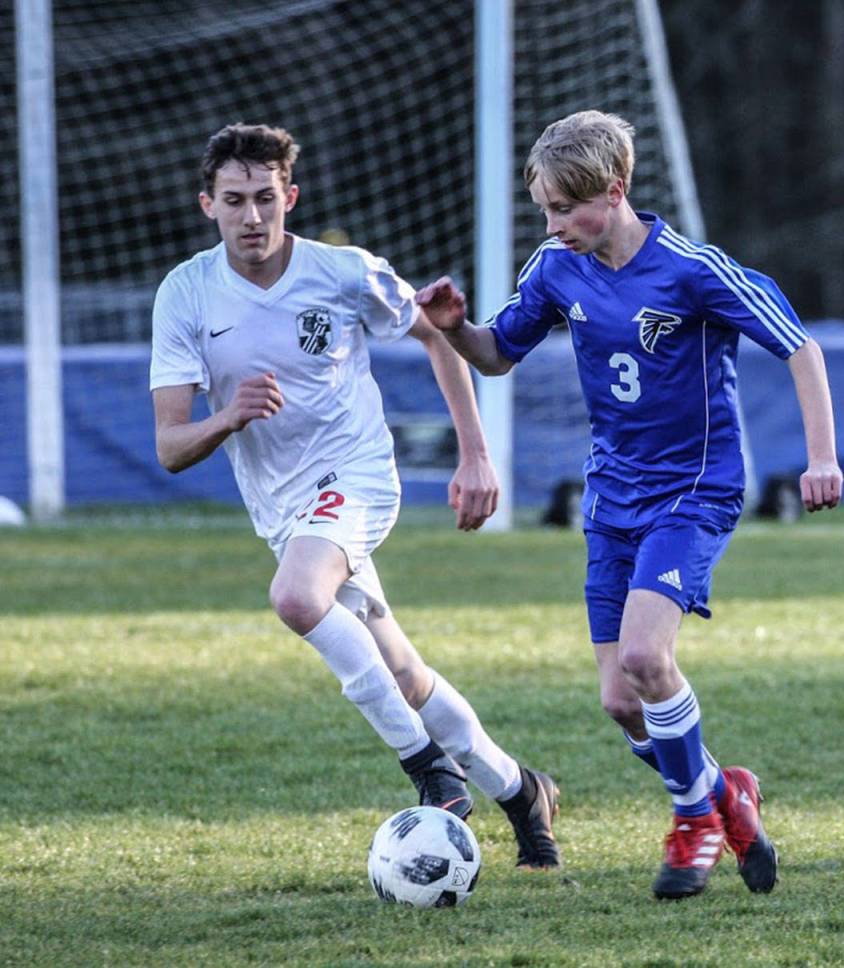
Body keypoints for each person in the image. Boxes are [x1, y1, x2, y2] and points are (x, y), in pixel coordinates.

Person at [416, 110, 843, 898]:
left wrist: (822, 456)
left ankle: (692, 823)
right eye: (542, 210)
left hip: (694, 490)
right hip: (612, 497)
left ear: (613, 192)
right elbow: (498, 355)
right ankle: (727, 797)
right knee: (620, 700)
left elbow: (801, 345)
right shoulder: (555, 267)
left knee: (648, 659)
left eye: (562, 210)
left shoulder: (691, 268)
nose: (551, 226)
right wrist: (453, 330)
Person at [149, 123, 560, 869]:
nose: (252, 217)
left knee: (297, 599)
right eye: (235, 200)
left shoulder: (344, 272)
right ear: (207, 204)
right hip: (283, 509)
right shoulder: (184, 294)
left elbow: (438, 335)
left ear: (290, 197)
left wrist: (474, 456)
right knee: (401, 672)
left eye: (265, 199)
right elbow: (171, 446)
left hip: (358, 476)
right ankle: (520, 790)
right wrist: (229, 415)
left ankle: (428, 768)